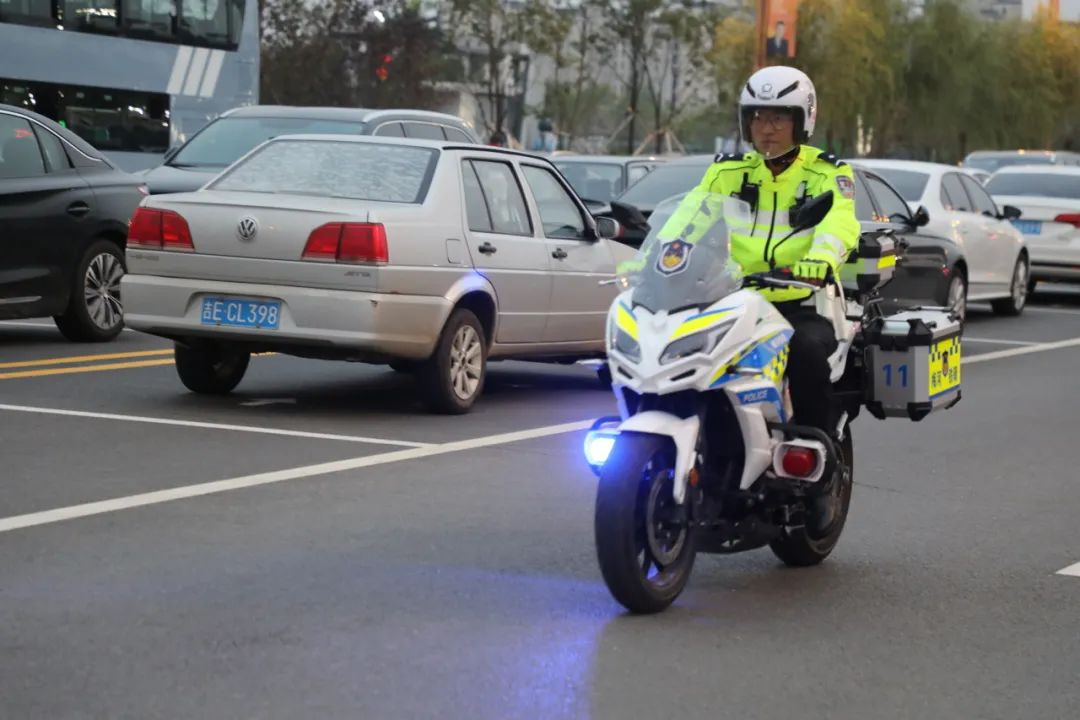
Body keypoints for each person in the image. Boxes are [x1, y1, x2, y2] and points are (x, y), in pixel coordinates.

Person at [667, 65, 859, 437]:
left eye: (778, 118)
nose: (766, 128)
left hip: (800, 302)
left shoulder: (825, 173)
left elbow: (840, 223)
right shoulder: (728, 173)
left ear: (802, 121)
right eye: (757, 118)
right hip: (734, 302)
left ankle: (815, 446)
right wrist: (654, 259)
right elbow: (687, 220)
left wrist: (819, 260)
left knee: (805, 351)